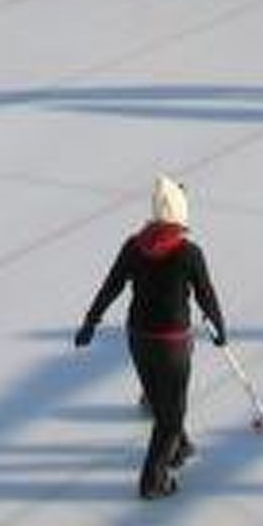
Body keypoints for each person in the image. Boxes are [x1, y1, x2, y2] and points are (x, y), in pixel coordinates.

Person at [74, 175, 228, 501]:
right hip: (172, 343)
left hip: (139, 338)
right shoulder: (189, 253)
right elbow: (206, 295)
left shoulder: (134, 246)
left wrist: (91, 321)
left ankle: (179, 447)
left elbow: (112, 285)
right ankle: (153, 482)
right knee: (171, 417)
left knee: (161, 398)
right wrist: (218, 327)